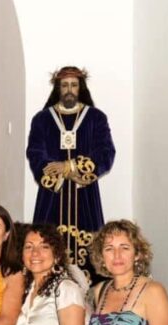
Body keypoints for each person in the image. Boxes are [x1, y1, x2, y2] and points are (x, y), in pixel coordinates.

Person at [26, 66, 116, 281]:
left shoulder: (95, 118)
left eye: (73, 85)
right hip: (51, 197)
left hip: (84, 194)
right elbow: (35, 152)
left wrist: (71, 167)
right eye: (64, 85)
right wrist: (52, 169)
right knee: (47, 244)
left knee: (90, 250)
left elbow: (106, 152)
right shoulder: (42, 119)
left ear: (80, 88)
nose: (69, 90)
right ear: (58, 88)